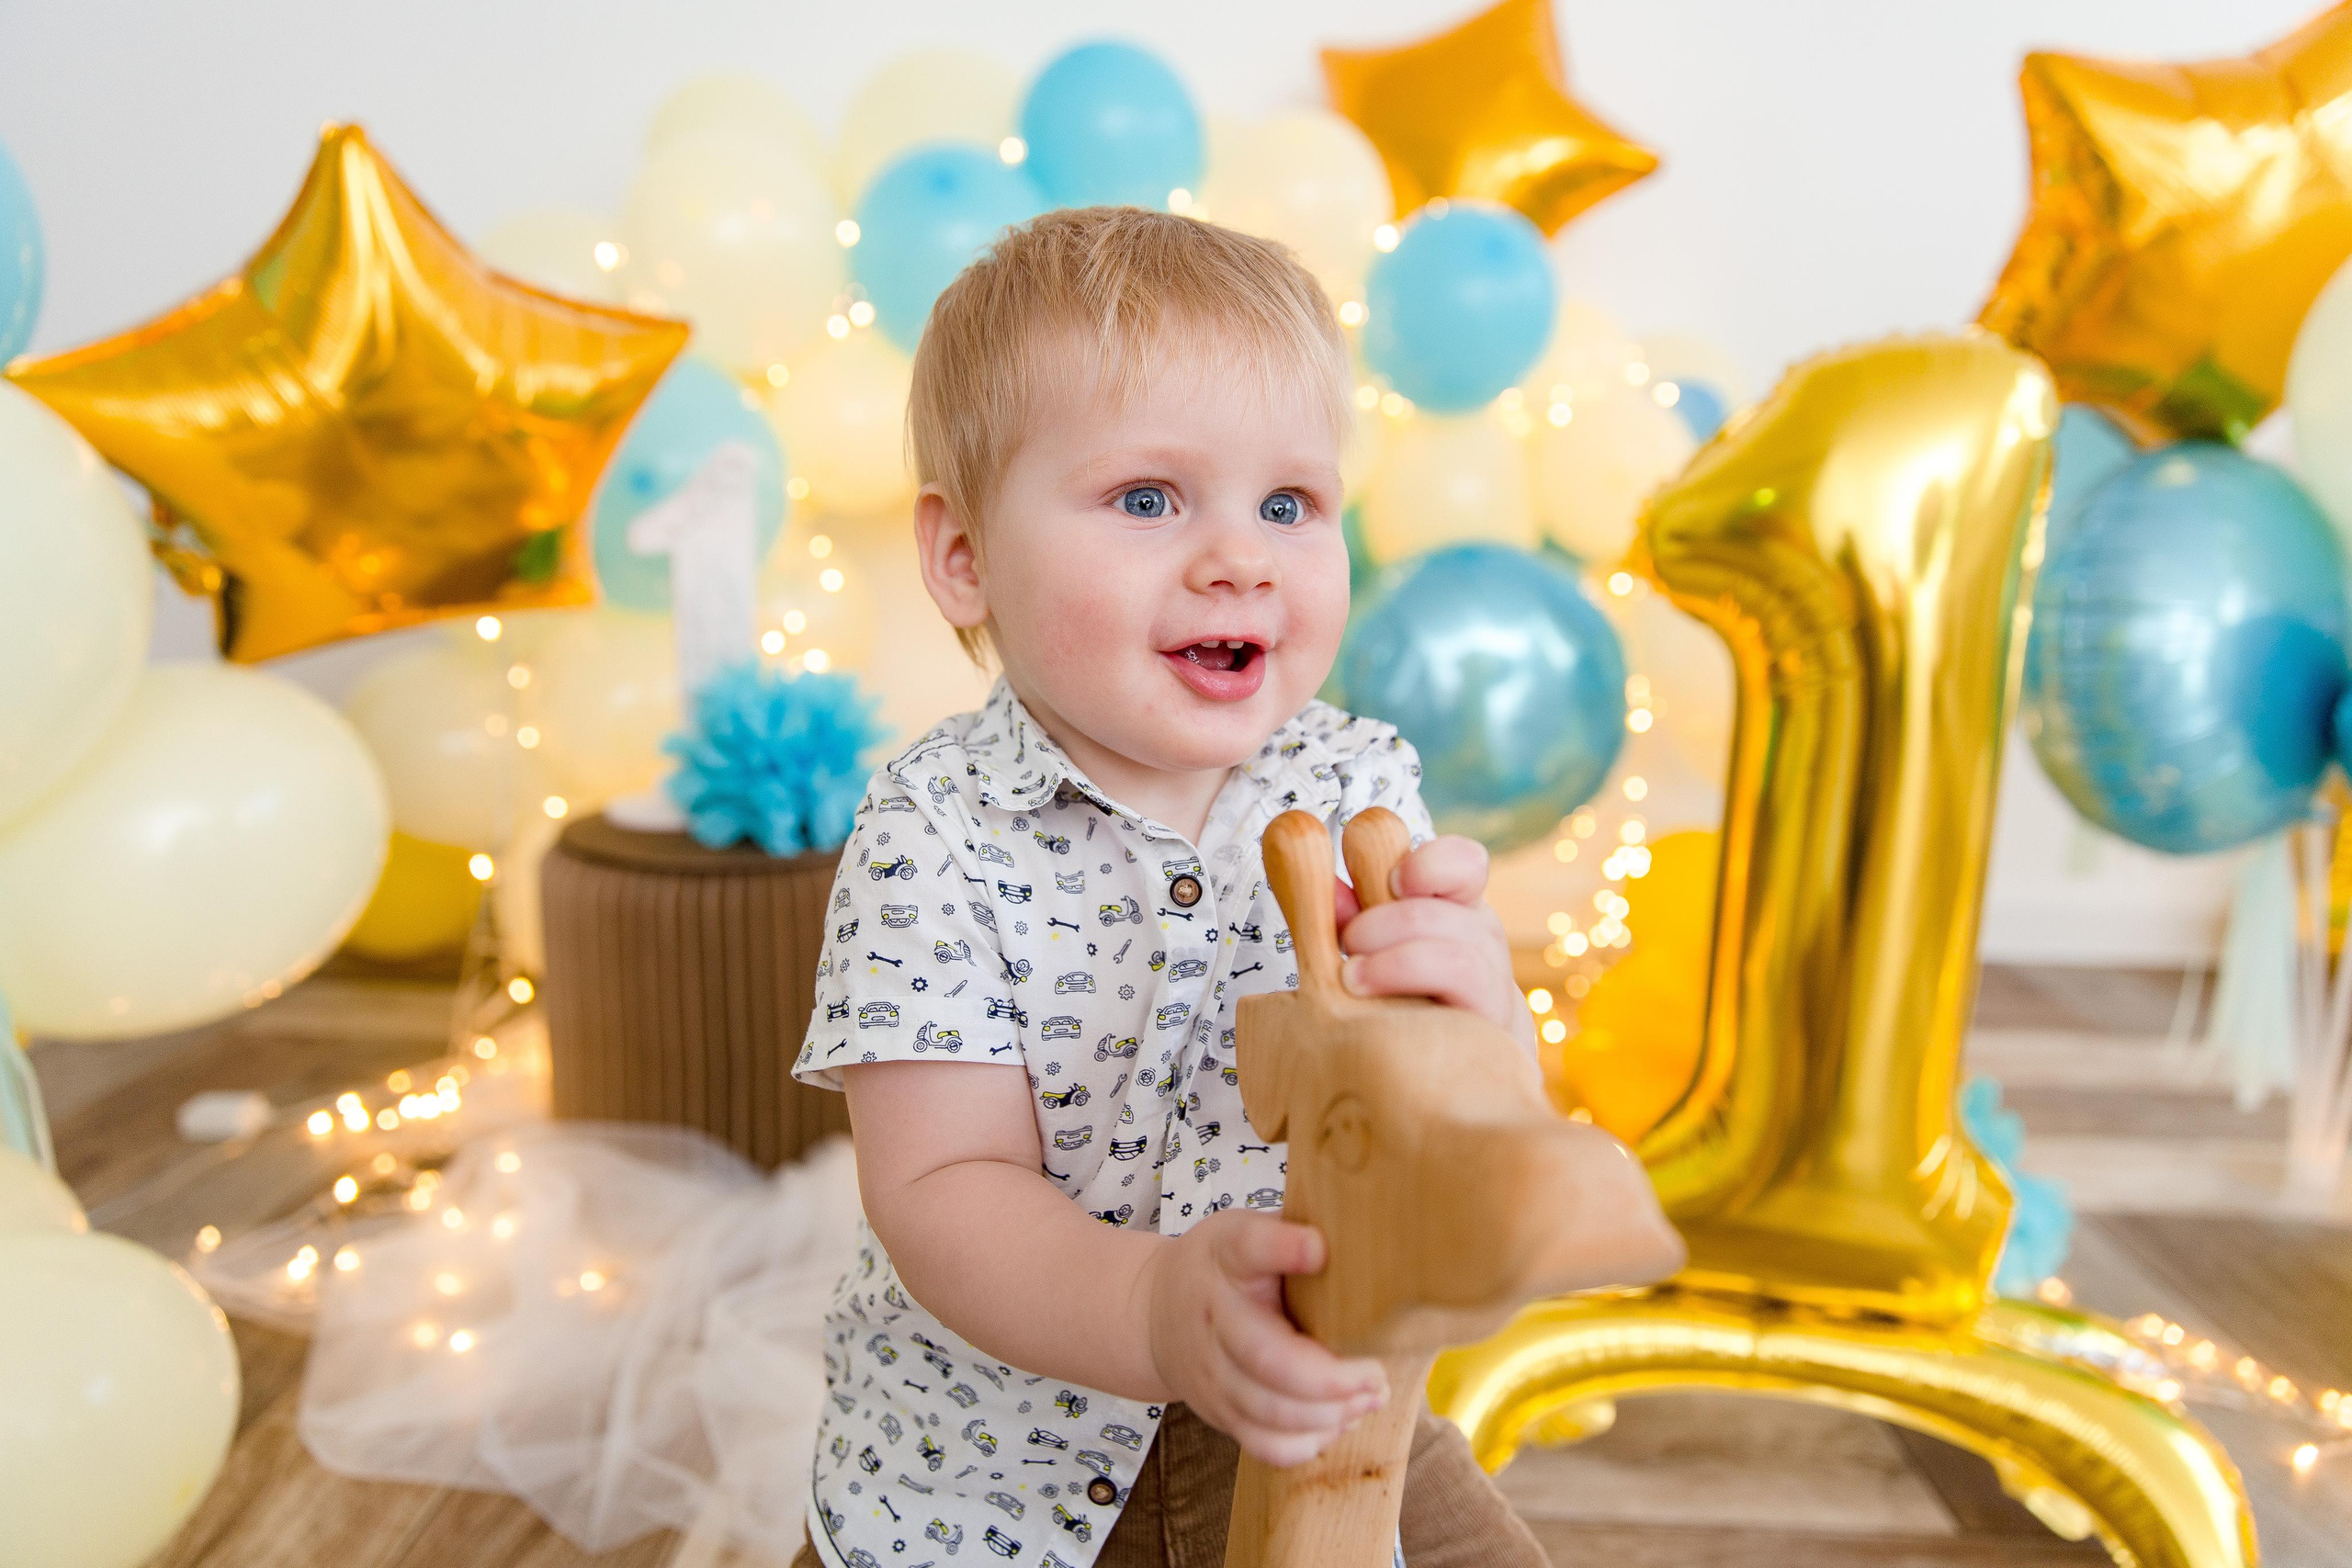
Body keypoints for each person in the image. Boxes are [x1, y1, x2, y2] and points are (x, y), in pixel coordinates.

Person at [790, 206, 1682, 1568]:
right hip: (997, 1474)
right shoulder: (937, 829)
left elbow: (1442, 1113)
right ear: (963, 554)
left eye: (1289, 504)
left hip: (1322, 1393)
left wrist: (1481, 1018)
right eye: (1149, 499)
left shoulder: (1359, 787)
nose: (1241, 557)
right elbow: (944, 1188)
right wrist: (1152, 1310)